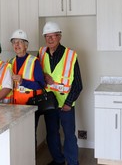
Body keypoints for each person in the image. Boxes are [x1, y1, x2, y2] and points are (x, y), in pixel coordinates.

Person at [38, 22, 83, 165]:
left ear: (59, 36)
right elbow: (36, 75)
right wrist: (43, 76)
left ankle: (72, 162)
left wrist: (68, 104)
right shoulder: (41, 53)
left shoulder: (70, 55)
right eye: (47, 36)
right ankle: (58, 160)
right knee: (52, 134)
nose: (50, 39)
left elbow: (78, 84)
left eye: (53, 36)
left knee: (69, 136)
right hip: (49, 103)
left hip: (66, 104)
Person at [9, 29, 45, 146]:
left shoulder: (34, 61)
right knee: (17, 136)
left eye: (20, 42)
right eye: (14, 42)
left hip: (30, 106)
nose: (16, 45)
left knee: (28, 136)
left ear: (26, 45)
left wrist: (23, 81)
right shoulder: (11, 62)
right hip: (14, 106)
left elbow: (41, 85)